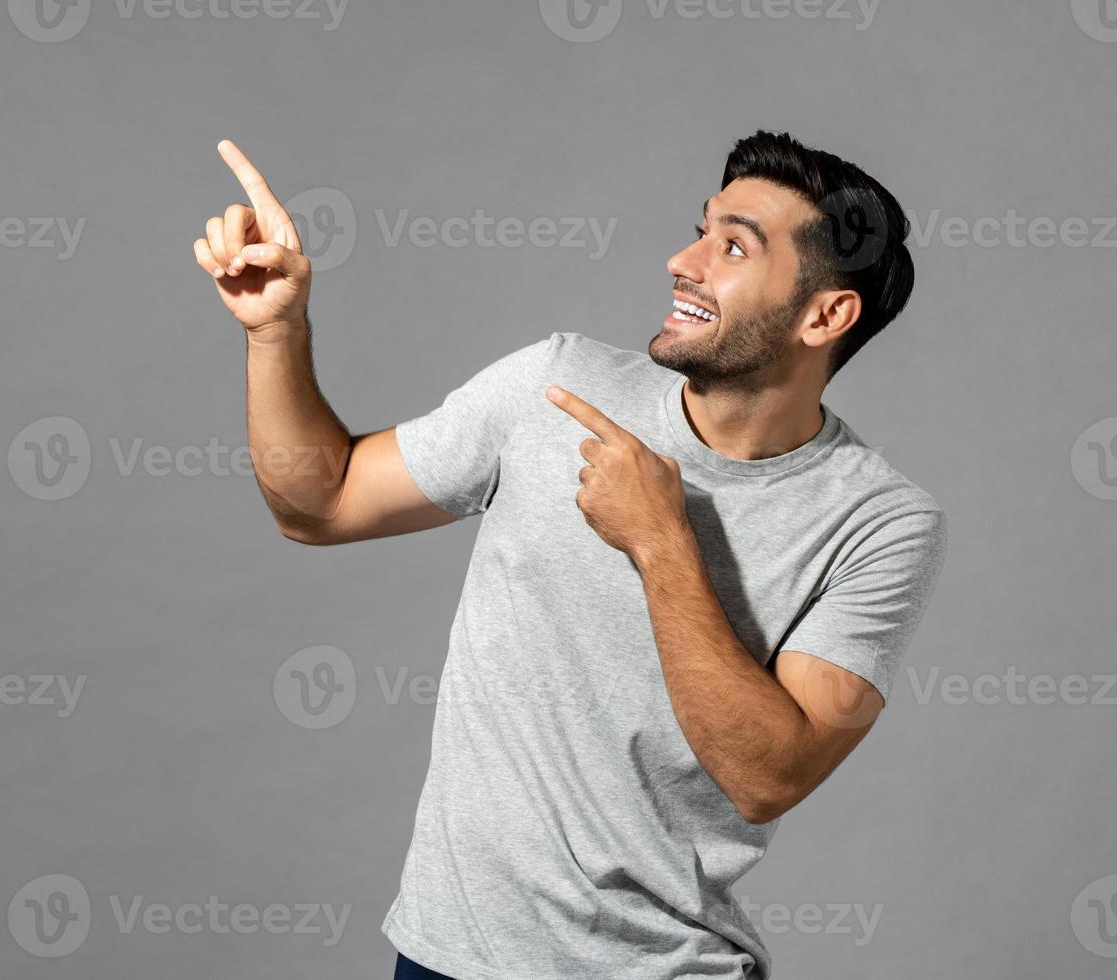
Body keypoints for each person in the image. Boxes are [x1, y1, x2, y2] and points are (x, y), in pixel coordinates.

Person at [192, 130, 948, 980]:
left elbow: (766, 776)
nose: (683, 260)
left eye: (732, 245)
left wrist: (660, 540)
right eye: (700, 228)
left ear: (825, 315)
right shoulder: (555, 387)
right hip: (445, 961)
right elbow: (319, 503)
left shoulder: (880, 522)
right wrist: (275, 333)